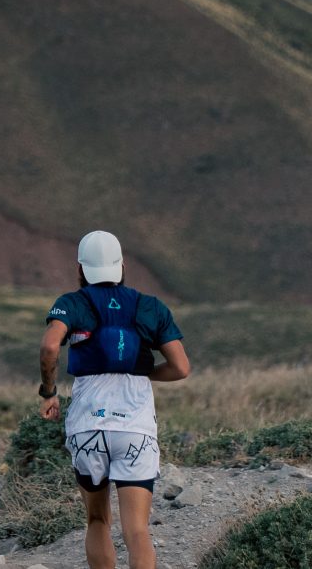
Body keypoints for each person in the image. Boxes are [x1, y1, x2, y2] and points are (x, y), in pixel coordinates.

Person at [39, 230, 190, 569]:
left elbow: (50, 347)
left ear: (80, 270)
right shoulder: (151, 307)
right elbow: (180, 368)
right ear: (122, 266)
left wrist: (48, 392)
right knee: (136, 529)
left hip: (89, 427)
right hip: (135, 429)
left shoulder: (73, 302)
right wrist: (140, 372)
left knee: (97, 521)